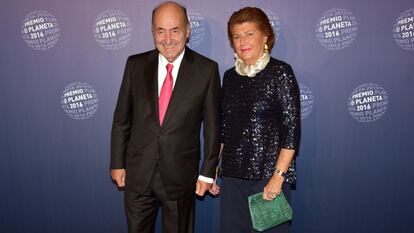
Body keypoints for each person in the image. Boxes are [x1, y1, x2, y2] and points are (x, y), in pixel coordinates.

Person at [110, 2, 221, 233]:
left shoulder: (206, 70)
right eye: (161, 30)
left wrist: (207, 172)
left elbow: (213, 127)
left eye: (175, 30)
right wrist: (117, 162)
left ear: (188, 30)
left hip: (181, 176)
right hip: (138, 175)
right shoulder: (135, 65)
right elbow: (122, 118)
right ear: (153, 32)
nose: (167, 38)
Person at [209, 7, 301, 233]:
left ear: (265, 36)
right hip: (232, 179)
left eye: (249, 33)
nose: (242, 41)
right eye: (237, 36)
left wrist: (278, 177)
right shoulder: (229, 77)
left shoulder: (280, 72)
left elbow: (291, 130)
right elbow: (224, 129)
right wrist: (212, 169)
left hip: (268, 180)